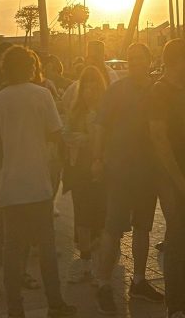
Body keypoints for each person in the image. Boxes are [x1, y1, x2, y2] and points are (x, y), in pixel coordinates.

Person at [0, 45, 76, 318]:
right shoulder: (42, 95)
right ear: (31, 68)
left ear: (5, 70)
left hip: (9, 187)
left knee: (11, 250)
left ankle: (15, 309)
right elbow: (56, 133)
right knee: (46, 248)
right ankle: (55, 303)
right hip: (39, 184)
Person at [93, 40, 164, 315]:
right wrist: (97, 158)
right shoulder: (117, 90)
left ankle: (139, 281)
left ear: (149, 60)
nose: (135, 63)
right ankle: (102, 283)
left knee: (143, 227)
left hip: (148, 170)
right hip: (119, 169)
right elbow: (101, 124)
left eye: (140, 58)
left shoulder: (157, 90)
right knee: (113, 228)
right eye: (131, 58)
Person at [149, 38, 185, 318]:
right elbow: (158, 138)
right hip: (173, 176)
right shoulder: (159, 92)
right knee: (178, 239)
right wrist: (178, 179)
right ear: (176, 61)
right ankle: (175, 306)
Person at [63, 64, 108, 283]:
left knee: (100, 217)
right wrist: (76, 138)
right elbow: (65, 134)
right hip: (79, 169)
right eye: (86, 86)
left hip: (101, 170)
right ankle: (86, 263)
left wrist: (89, 138)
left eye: (94, 86)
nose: (90, 91)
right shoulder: (76, 111)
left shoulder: (107, 112)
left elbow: (111, 139)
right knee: (82, 217)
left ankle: (101, 265)